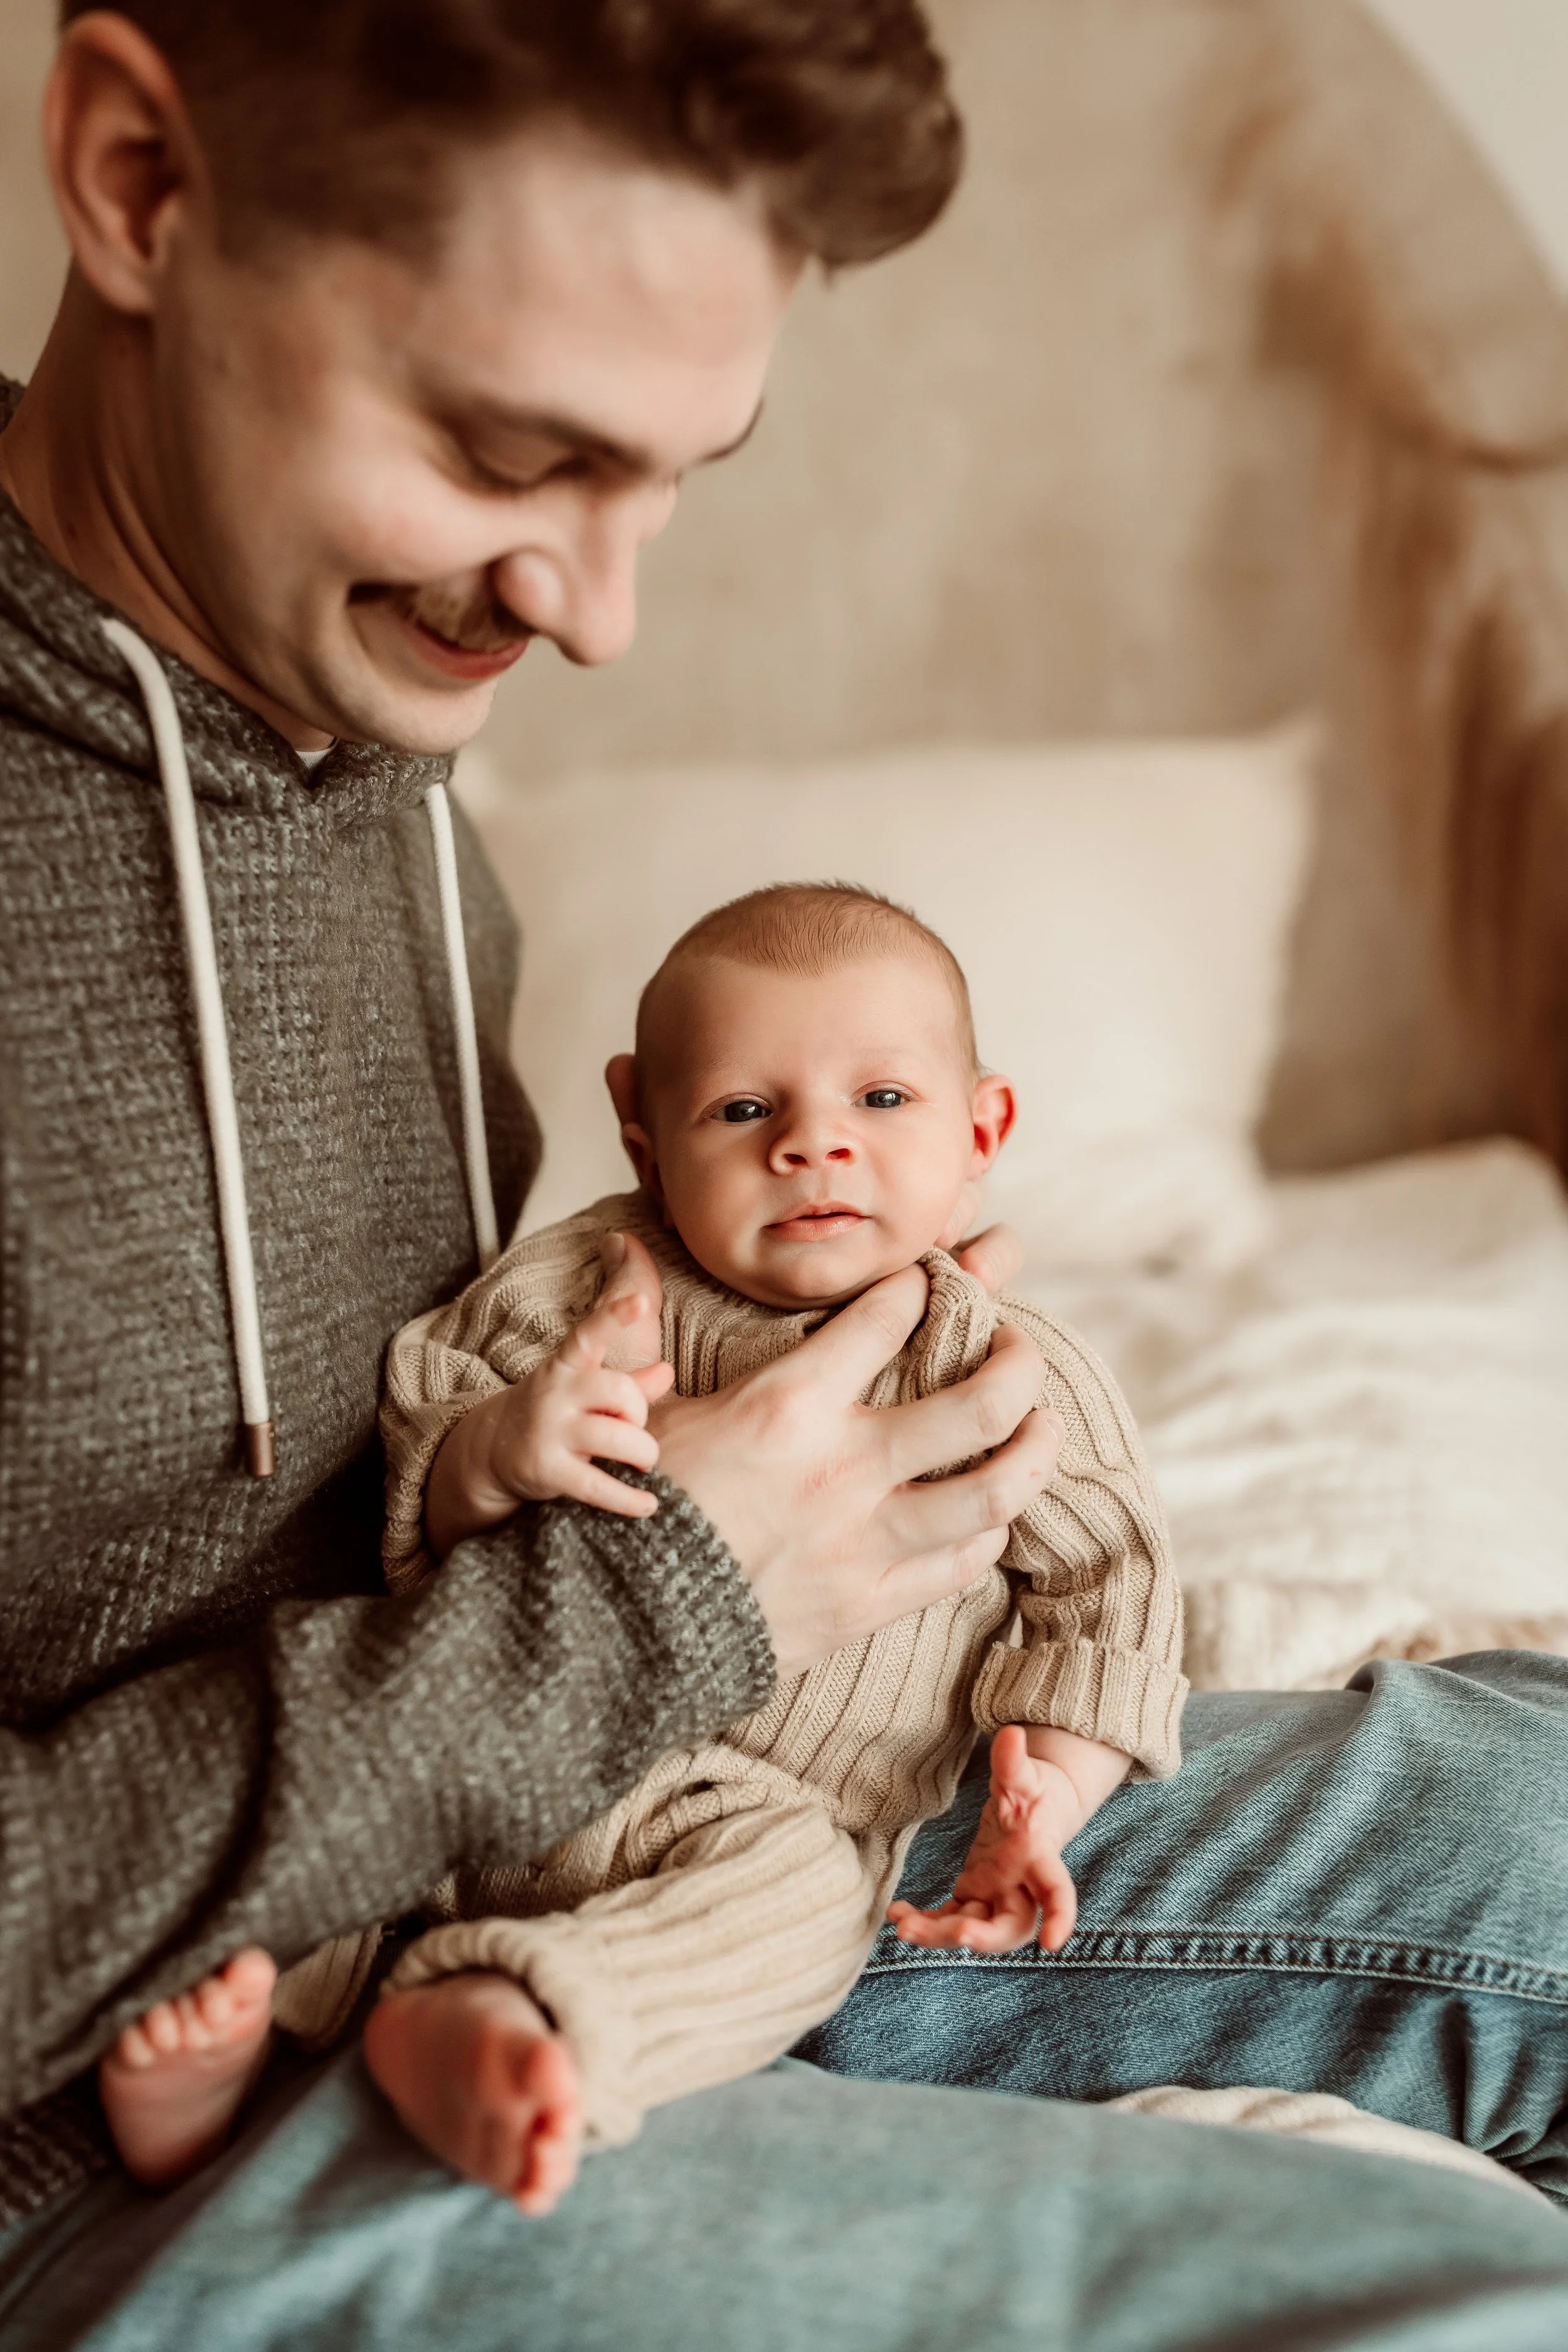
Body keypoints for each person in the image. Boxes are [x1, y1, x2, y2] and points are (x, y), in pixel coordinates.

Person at [1, 6, 1567, 2348]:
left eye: (674, 478)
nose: (598, 611)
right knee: (1444, 2305)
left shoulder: (367, 743)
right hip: (119, 2110)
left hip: (653, 1797)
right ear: (136, 178)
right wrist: (671, 1599)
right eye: (514, 451)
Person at [97, 881, 1187, 2206]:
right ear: (640, 1128)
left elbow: (1110, 1588)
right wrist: (504, 1444)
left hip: (765, 1806)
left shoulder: (1002, 1367)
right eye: (743, 1110)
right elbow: (424, 1425)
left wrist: (1045, 1801)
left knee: (788, 1919)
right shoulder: (580, 1287)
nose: (812, 1146)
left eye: (881, 1102)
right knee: (327, 1836)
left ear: (983, 1129)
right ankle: (217, 2085)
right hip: (498, 1738)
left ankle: (529, 2017)